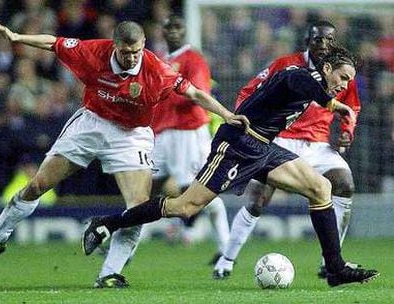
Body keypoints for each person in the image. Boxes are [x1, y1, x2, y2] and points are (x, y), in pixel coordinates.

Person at [0, 20, 248, 289]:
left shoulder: (157, 69)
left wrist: (225, 114)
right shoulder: (94, 52)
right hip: (92, 124)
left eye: (137, 52)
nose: (131, 57)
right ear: (115, 46)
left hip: (131, 136)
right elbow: (54, 42)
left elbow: (194, 93)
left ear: (143, 45)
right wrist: (16, 36)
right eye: (125, 52)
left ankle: (109, 273)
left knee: (139, 208)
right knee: (39, 184)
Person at [83, 47, 379, 287]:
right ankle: (108, 222)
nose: (344, 85)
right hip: (237, 144)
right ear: (327, 69)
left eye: (348, 81)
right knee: (186, 207)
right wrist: (332, 105)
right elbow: (294, 83)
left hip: (263, 147)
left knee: (321, 187)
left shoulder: (311, 81)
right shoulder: (300, 76)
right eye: (342, 77)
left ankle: (335, 268)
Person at [213, 21, 361, 280]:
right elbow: (249, 91)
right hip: (280, 139)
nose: (323, 45)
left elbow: (351, 109)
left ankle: (331, 262)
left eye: (329, 40)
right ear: (307, 41)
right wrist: (248, 125)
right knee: (259, 198)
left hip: (318, 144)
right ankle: (227, 259)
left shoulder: (342, 72)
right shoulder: (286, 64)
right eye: (318, 40)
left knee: (344, 183)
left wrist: (347, 131)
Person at [151, 15, 229, 261]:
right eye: (169, 27)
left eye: (178, 27)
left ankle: (227, 248)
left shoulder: (193, 58)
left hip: (188, 132)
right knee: (144, 188)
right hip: (161, 133)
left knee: (195, 192)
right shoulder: (161, 59)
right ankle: (125, 248)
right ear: (162, 31)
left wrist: (163, 94)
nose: (173, 31)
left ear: (184, 31)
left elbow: (197, 94)